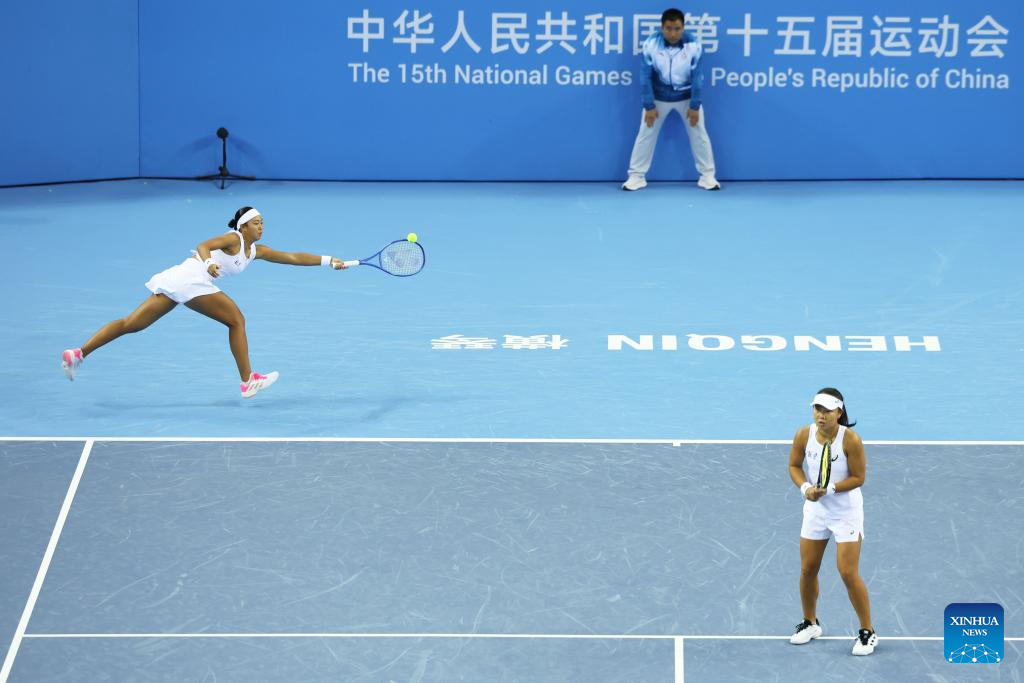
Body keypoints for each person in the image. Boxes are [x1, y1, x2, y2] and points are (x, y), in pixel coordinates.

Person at [60, 206, 348, 398]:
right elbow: (204, 245)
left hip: (181, 279)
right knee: (236, 320)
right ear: (243, 227)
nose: (261, 227)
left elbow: (293, 257)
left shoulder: (254, 251)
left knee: (132, 324)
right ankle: (248, 380)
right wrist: (209, 262)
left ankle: (78, 354)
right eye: (256, 223)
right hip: (192, 278)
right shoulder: (233, 239)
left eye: (262, 223)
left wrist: (329, 260)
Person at [787, 388, 878, 655]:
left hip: (845, 512)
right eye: (817, 409)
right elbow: (794, 466)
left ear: (839, 412)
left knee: (847, 572)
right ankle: (810, 623)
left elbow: (859, 477)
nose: (821, 415)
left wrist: (830, 489)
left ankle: (868, 632)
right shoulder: (803, 435)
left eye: (827, 410)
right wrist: (805, 488)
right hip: (816, 511)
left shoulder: (850, 440)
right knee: (808, 569)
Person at [622, 8, 719, 192]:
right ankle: (636, 176)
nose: (673, 33)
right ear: (662, 27)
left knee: (699, 134)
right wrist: (649, 105)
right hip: (657, 99)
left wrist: (694, 105)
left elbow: (697, 77)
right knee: (645, 134)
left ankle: (707, 176)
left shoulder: (694, 45)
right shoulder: (651, 44)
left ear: (683, 28)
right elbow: (645, 76)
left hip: (687, 98)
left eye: (677, 29)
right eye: (668, 28)